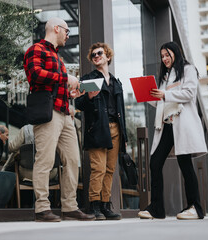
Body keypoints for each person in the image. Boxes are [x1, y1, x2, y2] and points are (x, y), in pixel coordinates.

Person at [23, 17, 95, 222]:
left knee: (73, 159)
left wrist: (73, 92)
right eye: (67, 31)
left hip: (65, 114)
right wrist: (66, 79)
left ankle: (70, 206)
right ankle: (42, 209)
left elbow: (57, 84)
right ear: (56, 28)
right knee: (44, 160)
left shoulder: (58, 57)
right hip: (49, 113)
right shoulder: (36, 49)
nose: (67, 35)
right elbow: (35, 75)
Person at [138, 41, 208, 220]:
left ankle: (195, 208)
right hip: (167, 125)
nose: (164, 59)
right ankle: (156, 209)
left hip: (181, 123)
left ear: (175, 53)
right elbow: (161, 101)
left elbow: (189, 93)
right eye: (162, 56)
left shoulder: (188, 69)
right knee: (155, 162)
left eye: (167, 55)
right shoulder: (165, 76)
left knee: (185, 164)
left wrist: (165, 94)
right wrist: (146, 95)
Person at [75, 42, 127, 220]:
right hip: (97, 128)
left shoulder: (116, 82)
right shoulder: (88, 79)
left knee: (111, 169)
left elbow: (121, 111)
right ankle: (94, 206)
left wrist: (124, 135)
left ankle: (105, 206)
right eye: (94, 55)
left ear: (108, 57)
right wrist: (89, 98)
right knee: (98, 169)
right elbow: (78, 104)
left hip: (115, 129)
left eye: (99, 54)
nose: (96, 56)